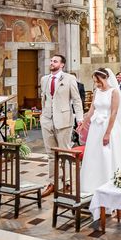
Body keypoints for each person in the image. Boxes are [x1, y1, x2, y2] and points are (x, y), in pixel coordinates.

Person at [78, 68, 121, 193]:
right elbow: (92, 109)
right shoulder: (97, 91)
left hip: (109, 127)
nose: (97, 84)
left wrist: (107, 133)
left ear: (105, 78)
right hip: (96, 128)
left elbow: (114, 113)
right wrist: (83, 124)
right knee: (94, 155)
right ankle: (92, 186)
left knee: (107, 155)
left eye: (99, 81)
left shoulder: (114, 92)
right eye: (95, 82)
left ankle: (110, 186)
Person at [40, 54, 83, 197]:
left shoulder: (70, 79)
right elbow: (44, 99)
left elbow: (76, 100)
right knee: (50, 154)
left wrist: (80, 119)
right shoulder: (45, 79)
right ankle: (52, 182)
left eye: (55, 61)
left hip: (64, 120)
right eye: (51, 60)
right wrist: (43, 115)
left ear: (62, 64)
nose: (52, 63)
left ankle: (67, 182)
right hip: (47, 120)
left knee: (64, 152)